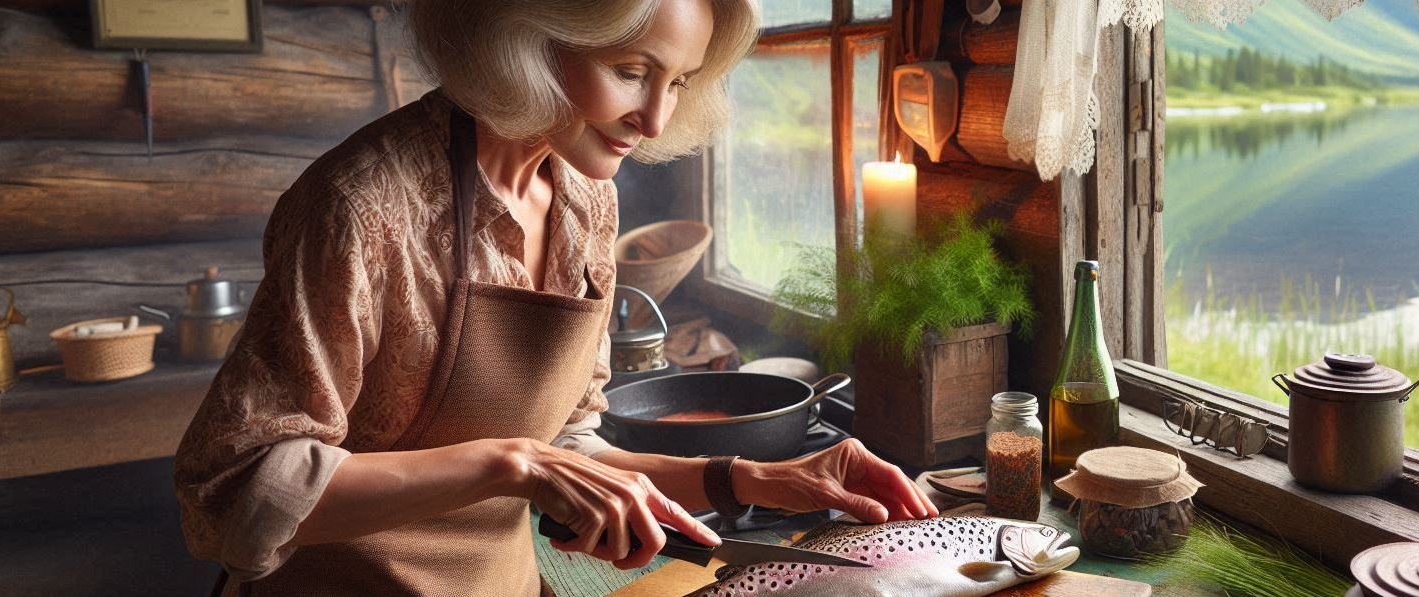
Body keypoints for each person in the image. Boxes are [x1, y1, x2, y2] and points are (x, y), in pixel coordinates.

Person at [172, 1, 937, 594]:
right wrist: (512, 462)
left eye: (679, 82)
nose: (657, 118)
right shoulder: (364, 207)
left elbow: (570, 445)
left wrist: (744, 477)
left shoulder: (585, 199)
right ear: (532, 34)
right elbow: (234, 493)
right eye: (633, 70)